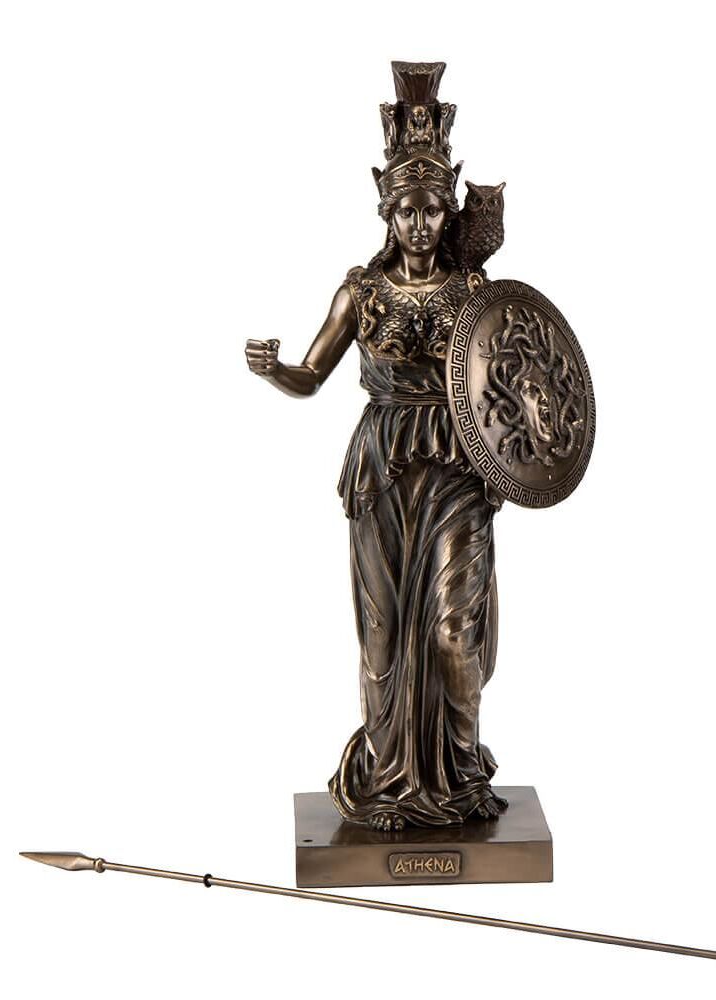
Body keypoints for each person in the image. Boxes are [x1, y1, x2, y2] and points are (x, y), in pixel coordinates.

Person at [245, 66, 507, 831]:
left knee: (453, 631)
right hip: (383, 468)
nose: (420, 223)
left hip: (458, 467)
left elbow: (511, 385)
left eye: (433, 209)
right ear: (387, 212)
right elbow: (311, 374)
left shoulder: (472, 291)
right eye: (406, 210)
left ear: (447, 211)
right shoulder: (360, 293)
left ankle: (460, 775)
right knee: (384, 633)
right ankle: (393, 779)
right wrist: (275, 370)